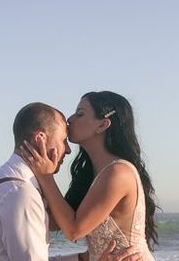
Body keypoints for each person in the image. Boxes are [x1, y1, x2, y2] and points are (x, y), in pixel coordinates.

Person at [0, 102, 142, 261]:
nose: (67, 150)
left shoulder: (7, 184)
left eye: (80, 113)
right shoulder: (21, 194)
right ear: (40, 139)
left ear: (103, 124)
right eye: (63, 141)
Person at [22, 92, 158, 261]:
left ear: (102, 125)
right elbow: (56, 223)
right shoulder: (92, 173)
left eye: (80, 114)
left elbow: (73, 231)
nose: (70, 119)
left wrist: (45, 176)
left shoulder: (118, 173)